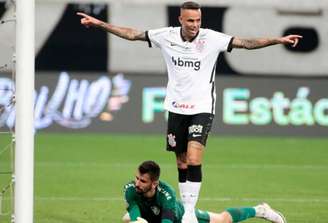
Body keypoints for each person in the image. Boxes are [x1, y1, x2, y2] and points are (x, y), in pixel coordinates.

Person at [77, 2, 302, 222]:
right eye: (190, 20)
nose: (194, 25)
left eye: (198, 20)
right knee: (182, 162)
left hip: (202, 108)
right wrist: (100, 24)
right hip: (176, 108)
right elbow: (133, 34)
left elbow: (246, 43)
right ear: (180, 20)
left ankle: (189, 212)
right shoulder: (166, 35)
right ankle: (193, 211)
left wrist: (277, 40)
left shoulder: (211, 39)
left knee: (194, 158)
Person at [122, 160, 287, 223]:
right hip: (151, 217)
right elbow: (135, 213)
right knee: (128, 220)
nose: (137, 183)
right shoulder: (130, 189)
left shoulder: (167, 194)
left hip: (181, 219)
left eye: (142, 181)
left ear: (154, 183)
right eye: (137, 178)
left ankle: (260, 210)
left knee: (223, 220)